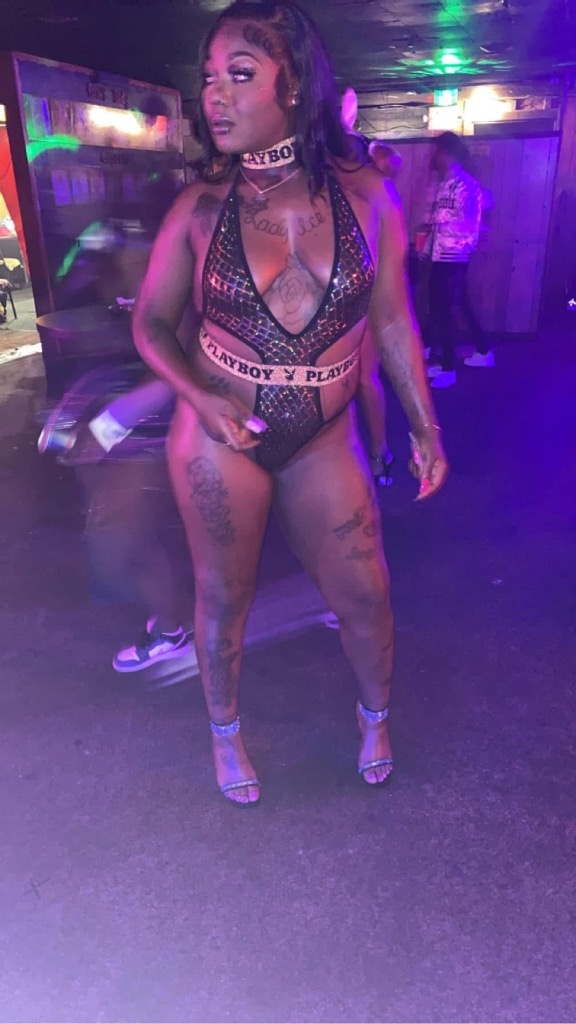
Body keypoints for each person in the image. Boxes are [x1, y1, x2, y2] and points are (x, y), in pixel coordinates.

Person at [133, 0, 448, 806]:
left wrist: (424, 425)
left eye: (240, 75)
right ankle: (225, 734)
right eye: (209, 78)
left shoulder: (368, 195)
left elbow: (392, 320)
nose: (216, 95)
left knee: (366, 594)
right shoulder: (200, 206)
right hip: (220, 437)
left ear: (295, 83)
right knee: (223, 599)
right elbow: (152, 324)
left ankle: (375, 716)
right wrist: (199, 397)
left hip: (323, 438)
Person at [422, 131, 493, 389]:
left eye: (438, 151)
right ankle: (483, 351)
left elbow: (470, 226)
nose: (434, 156)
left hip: (455, 256)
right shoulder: (445, 184)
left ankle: (449, 367)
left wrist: (441, 225)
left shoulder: (467, 186)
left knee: (443, 309)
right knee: (456, 303)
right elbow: (437, 222)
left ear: (449, 153)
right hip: (441, 254)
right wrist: (428, 247)